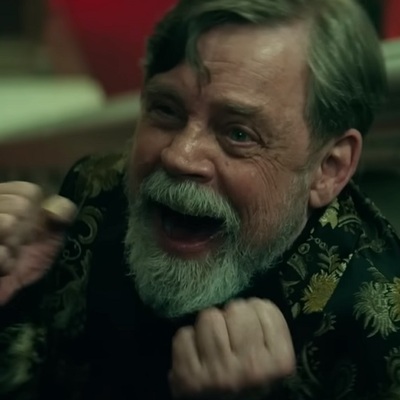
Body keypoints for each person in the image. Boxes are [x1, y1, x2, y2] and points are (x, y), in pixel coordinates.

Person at [0, 0, 399, 399]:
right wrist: (14, 306)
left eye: (238, 133)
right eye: (166, 110)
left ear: (328, 168)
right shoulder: (92, 196)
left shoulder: (381, 330)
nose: (179, 156)